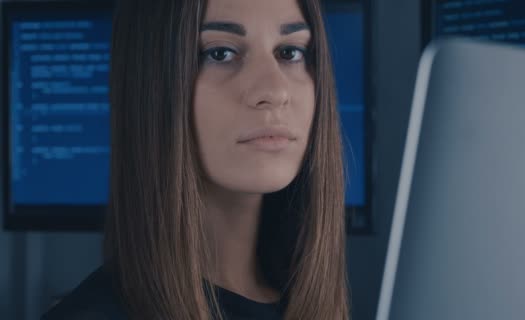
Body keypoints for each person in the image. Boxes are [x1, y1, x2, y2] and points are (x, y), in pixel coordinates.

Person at [41, 0, 349, 319]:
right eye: (220, 53)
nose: (275, 90)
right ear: (151, 85)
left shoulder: (309, 301)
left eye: (290, 52)